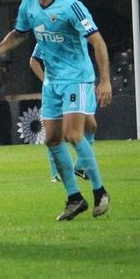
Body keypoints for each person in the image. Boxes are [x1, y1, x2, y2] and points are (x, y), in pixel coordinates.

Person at [0, 0, 111, 221]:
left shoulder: (71, 7)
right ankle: (75, 197)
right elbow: (18, 34)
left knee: (74, 135)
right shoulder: (28, 5)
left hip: (77, 77)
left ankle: (100, 191)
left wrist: (105, 80)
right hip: (52, 82)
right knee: (51, 139)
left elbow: (98, 42)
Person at [31, 44, 97, 182]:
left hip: (77, 84)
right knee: (56, 132)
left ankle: (79, 167)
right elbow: (34, 61)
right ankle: (56, 173)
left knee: (91, 126)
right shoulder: (46, 37)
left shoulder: (75, 36)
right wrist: (46, 82)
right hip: (57, 88)